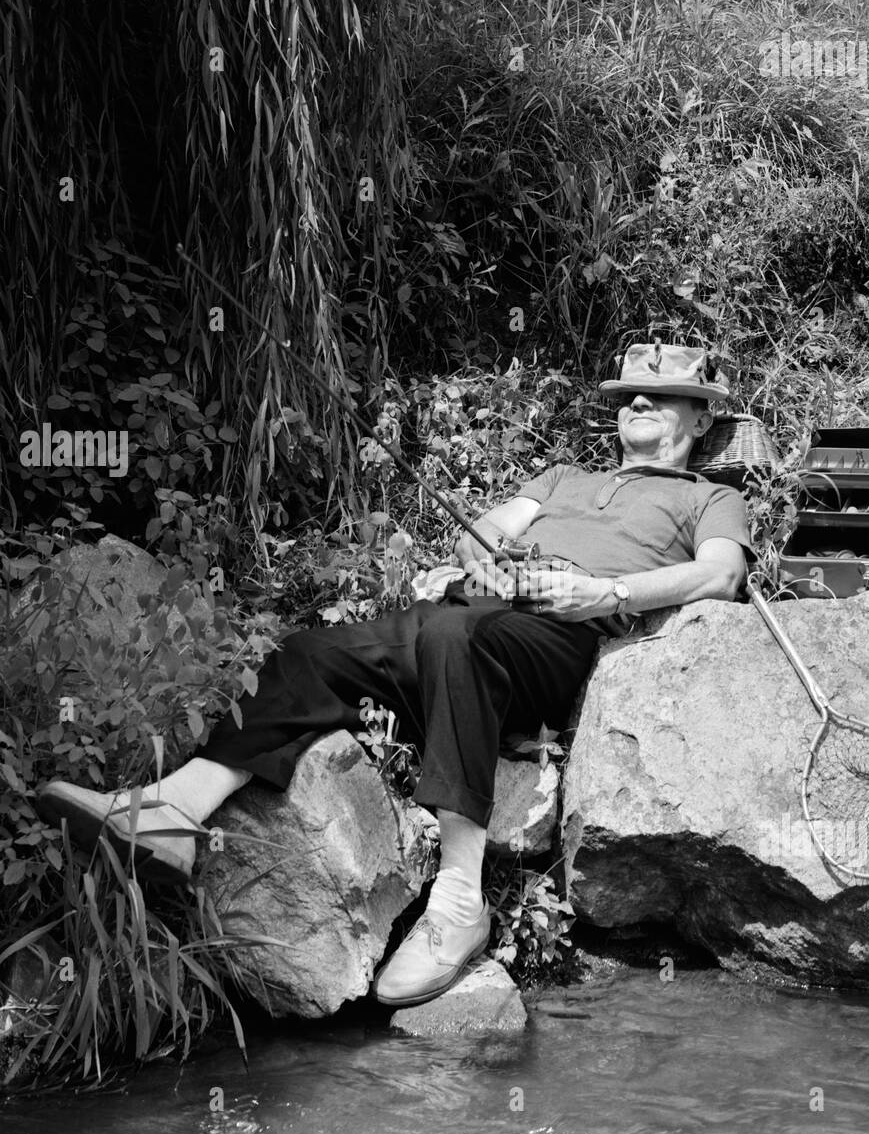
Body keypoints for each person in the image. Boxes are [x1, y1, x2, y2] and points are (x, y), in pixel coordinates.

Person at [38, 343, 755, 1007]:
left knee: (452, 635)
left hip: (556, 637)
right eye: (627, 395)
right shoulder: (567, 476)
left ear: (700, 416)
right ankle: (173, 808)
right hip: (469, 615)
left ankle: (459, 900)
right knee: (308, 653)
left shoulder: (708, 497)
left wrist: (610, 594)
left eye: (655, 396)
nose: (634, 404)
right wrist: (483, 560)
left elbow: (722, 575)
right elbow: (483, 531)